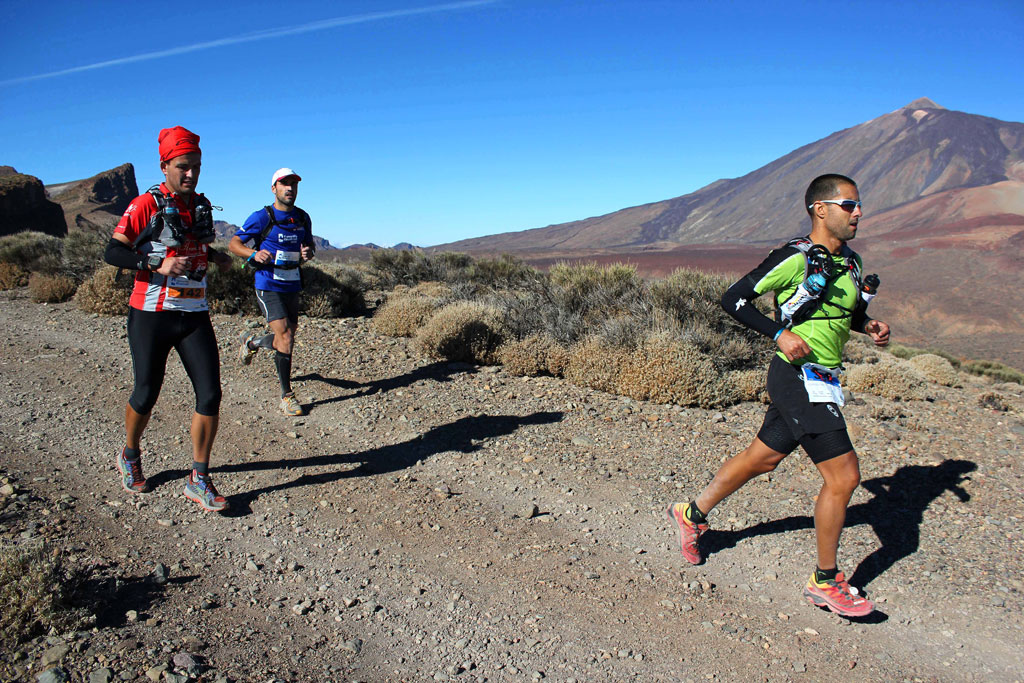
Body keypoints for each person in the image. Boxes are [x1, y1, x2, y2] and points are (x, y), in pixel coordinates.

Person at [666, 173, 890, 617]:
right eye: (849, 205)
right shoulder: (794, 257)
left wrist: (869, 326)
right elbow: (734, 299)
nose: (858, 212)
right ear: (820, 209)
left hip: (824, 377)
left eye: (859, 205)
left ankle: (690, 514)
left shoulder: (852, 262)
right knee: (843, 477)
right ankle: (825, 581)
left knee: (762, 458)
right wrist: (779, 334)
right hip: (794, 376)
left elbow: (848, 312)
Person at [103, 125, 232, 512]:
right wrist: (154, 262)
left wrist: (215, 258)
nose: (190, 174)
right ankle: (129, 453)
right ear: (165, 166)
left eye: (196, 166)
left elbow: (194, 249)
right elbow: (113, 252)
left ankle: (199, 477)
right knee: (147, 391)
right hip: (150, 314)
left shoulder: (201, 206)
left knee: (210, 394)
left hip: (194, 314)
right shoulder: (145, 204)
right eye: (183, 167)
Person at [229, 168, 315, 416]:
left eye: (293, 184)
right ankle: (286, 396)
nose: (290, 188)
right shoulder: (262, 217)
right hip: (267, 282)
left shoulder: (302, 217)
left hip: (292, 282)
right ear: (274, 188)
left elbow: (308, 245)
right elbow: (234, 244)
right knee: (285, 335)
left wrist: (308, 252)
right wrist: (254, 254)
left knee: (286, 336)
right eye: (284, 184)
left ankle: (252, 342)